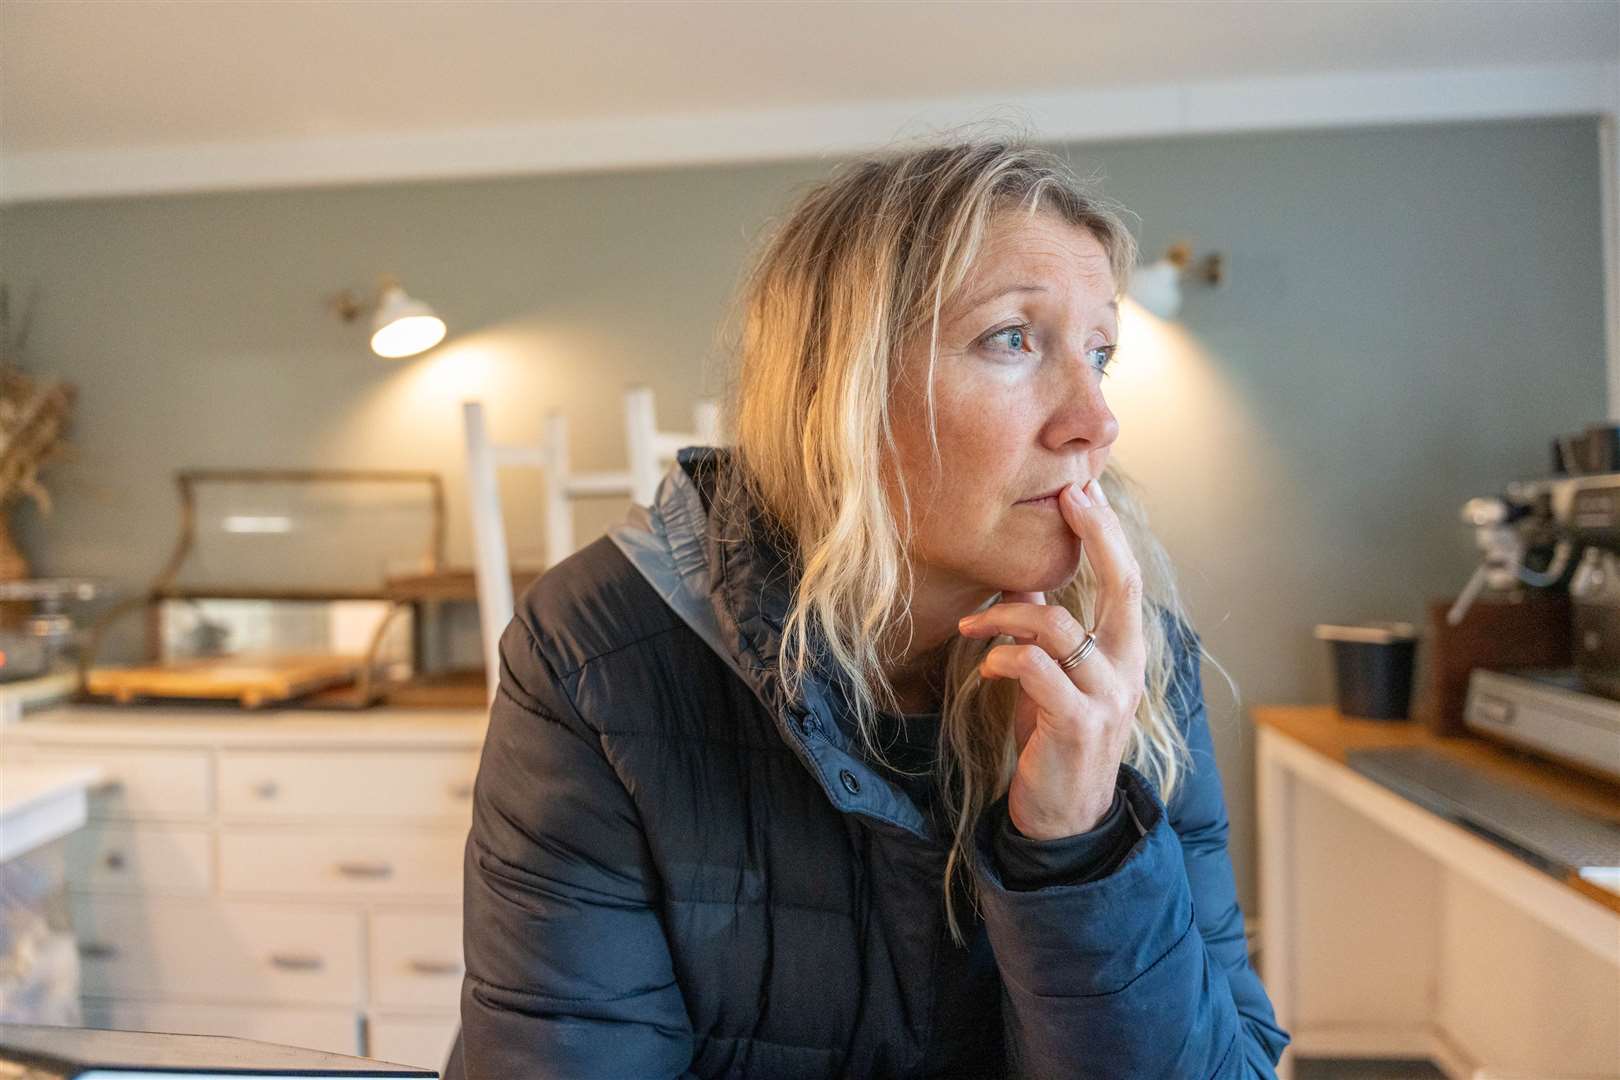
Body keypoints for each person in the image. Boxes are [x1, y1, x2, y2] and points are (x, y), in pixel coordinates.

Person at [446, 132, 1291, 1079]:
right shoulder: (598, 650)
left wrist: (1081, 841)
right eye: (1013, 339)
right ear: (836, 387)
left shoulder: (1132, 668)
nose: (1095, 419)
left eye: (1100, 354)